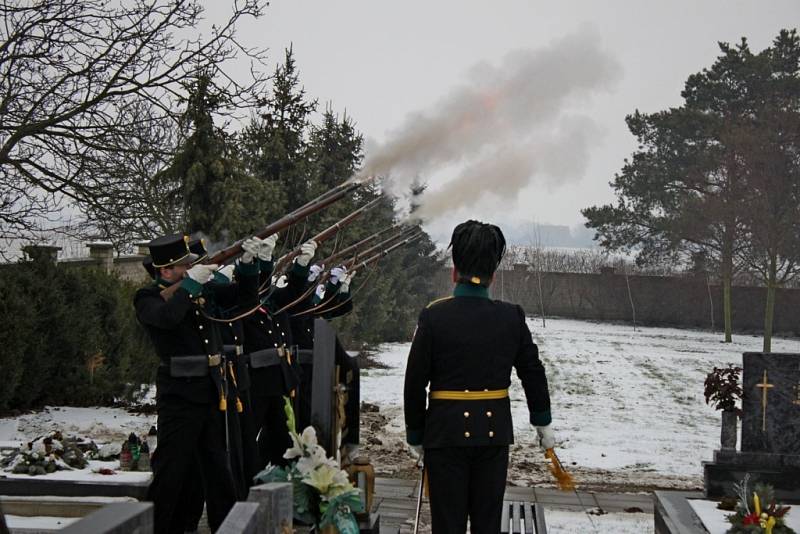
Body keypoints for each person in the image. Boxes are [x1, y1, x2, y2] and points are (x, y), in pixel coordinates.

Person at [403, 220, 555, 534]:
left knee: (448, 525)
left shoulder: (434, 315)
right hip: (493, 433)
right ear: (493, 275)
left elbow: (415, 380)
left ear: (454, 271)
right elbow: (532, 371)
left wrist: (416, 434)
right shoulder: (511, 316)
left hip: (445, 435)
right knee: (488, 525)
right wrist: (542, 420)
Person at [134, 233, 262, 534]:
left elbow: (246, 301)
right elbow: (167, 318)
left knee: (218, 468)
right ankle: (157, 528)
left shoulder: (201, 292)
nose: (190, 269)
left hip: (211, 391)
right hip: (179, 395)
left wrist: (248, 265)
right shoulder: (147, 297)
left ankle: (227, 527)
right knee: (171, 469)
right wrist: (190, 285)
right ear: (166, 271)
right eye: (183, 266)